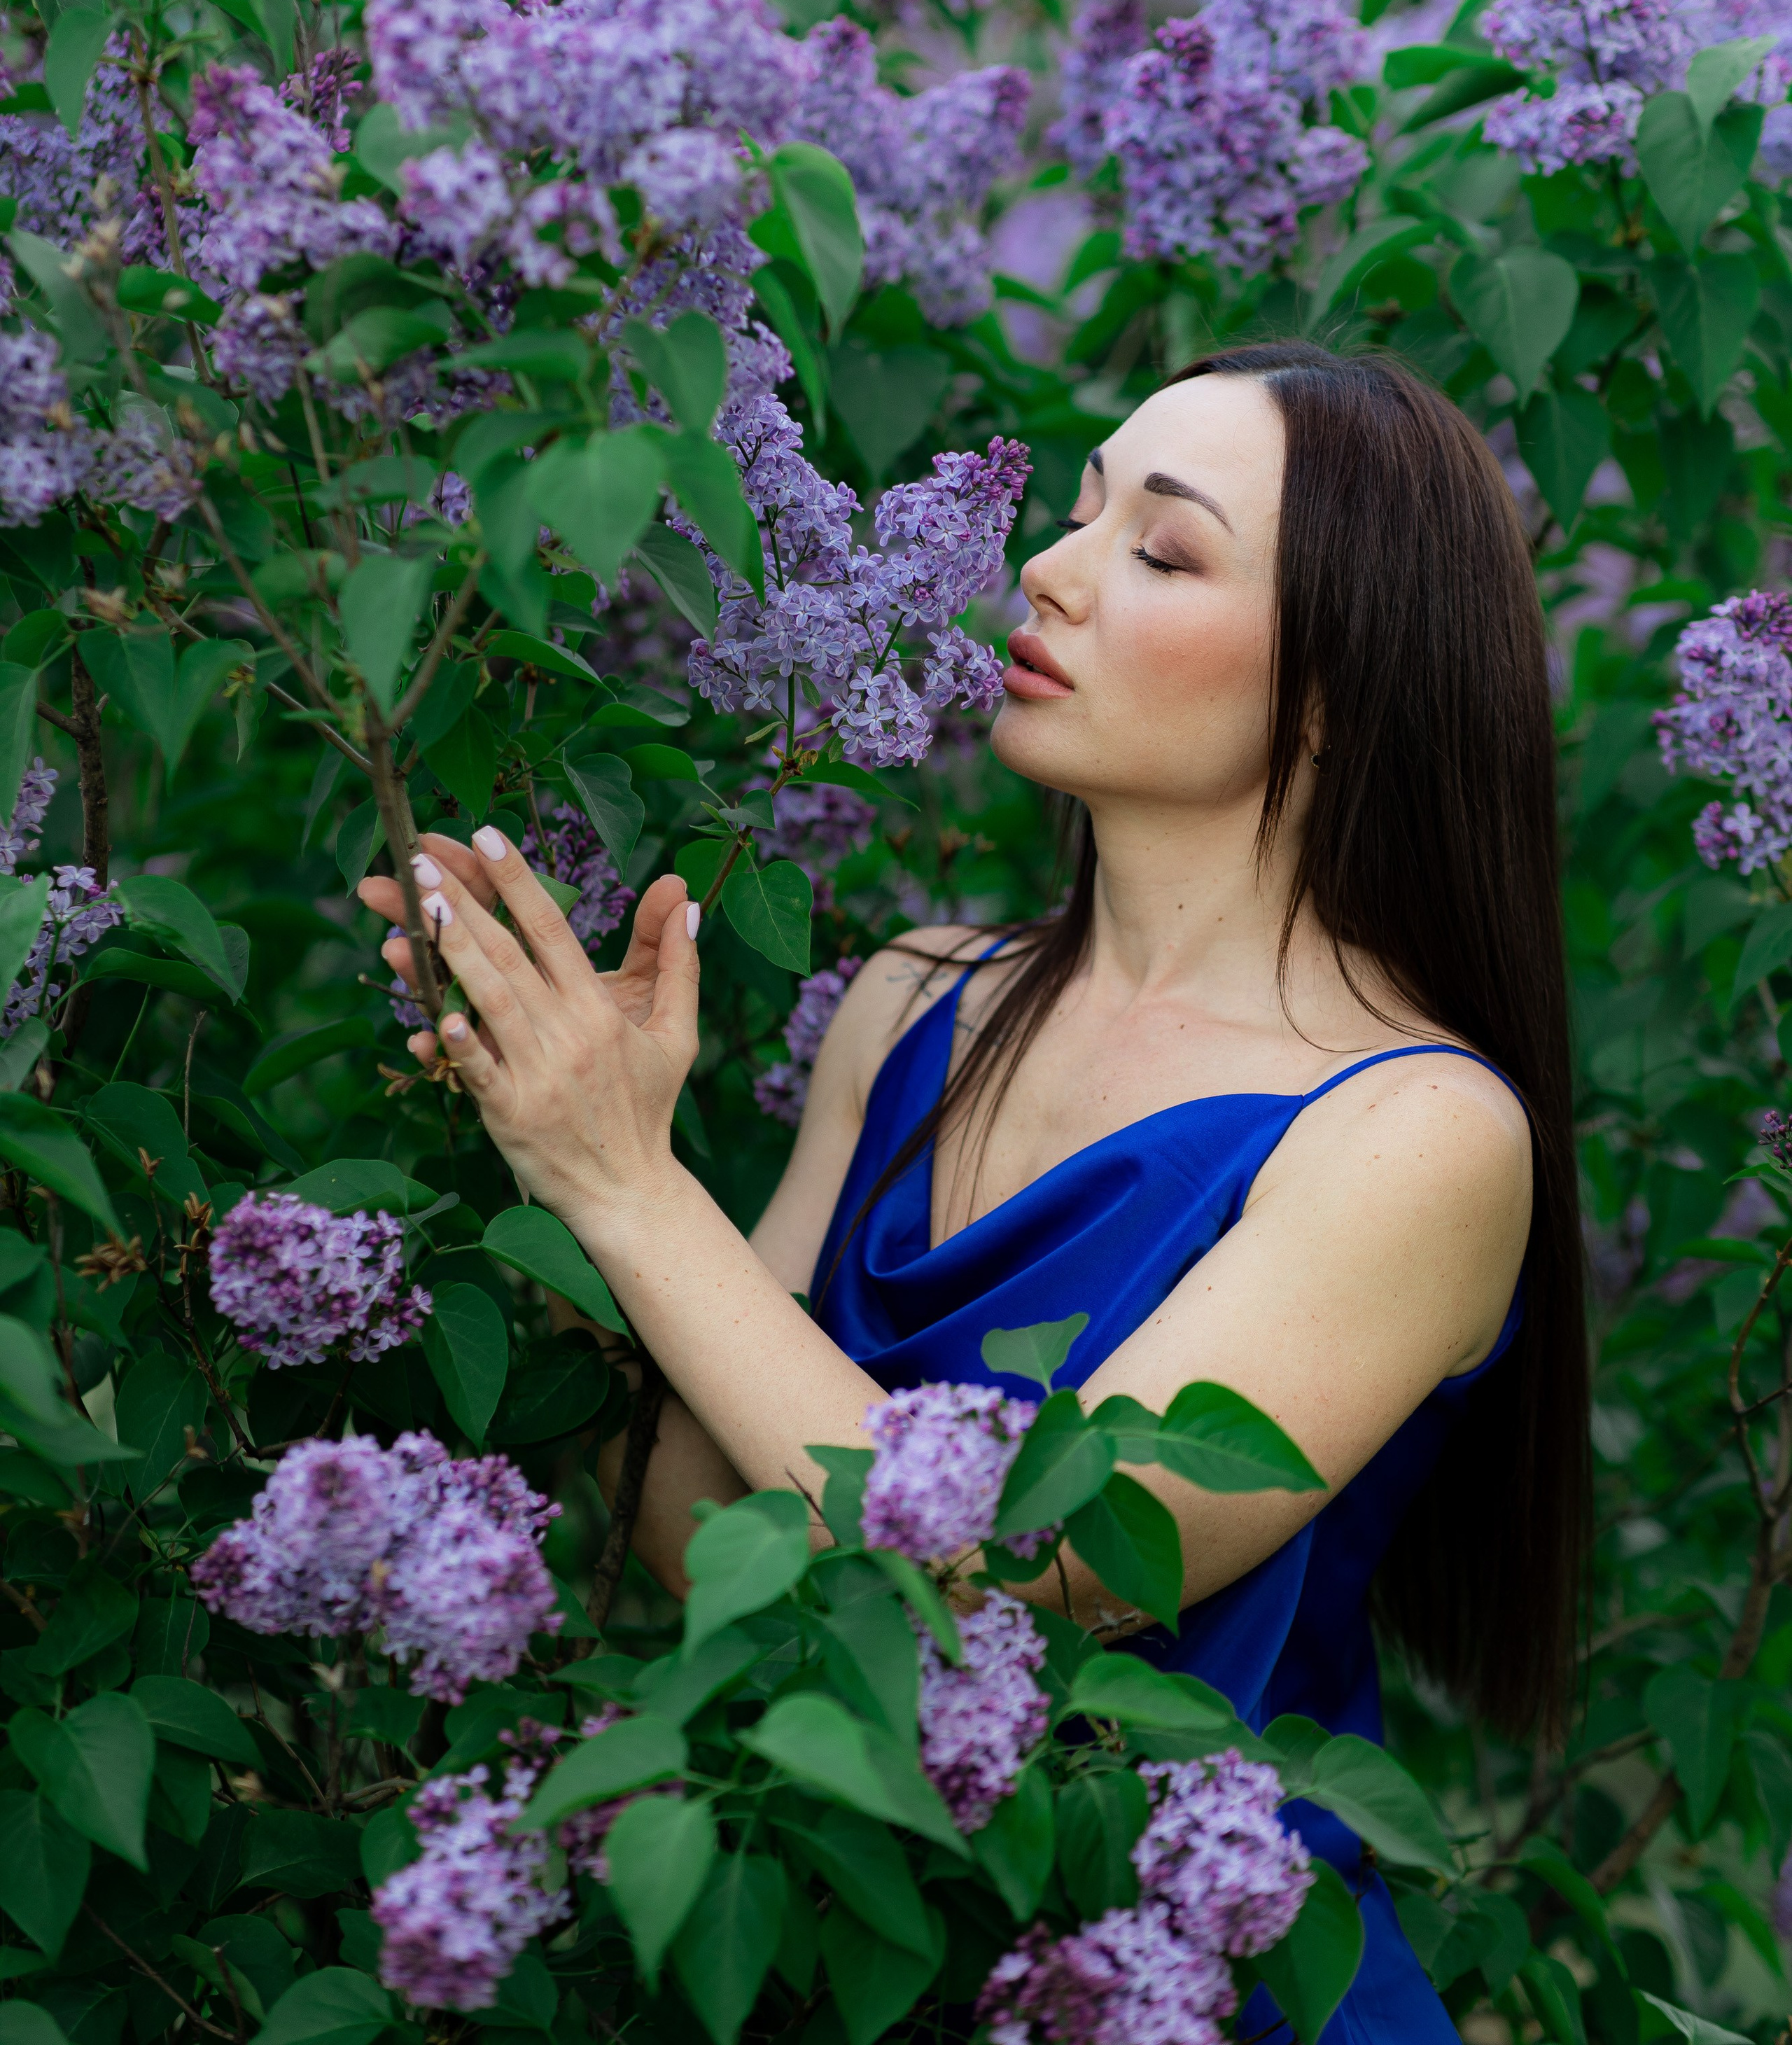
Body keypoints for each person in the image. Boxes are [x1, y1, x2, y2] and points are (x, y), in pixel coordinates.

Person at [361, 340, 1589, 2043]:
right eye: (1077, 510)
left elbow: (1026, 1568)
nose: (1049, 568)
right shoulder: (910, 1000)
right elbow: (691, 1540)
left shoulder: (1413, 1135)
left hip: (1198, 1991)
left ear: (1331, 691)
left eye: (1158, 551)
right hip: (837, 1949)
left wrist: (631, 1191)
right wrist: (587, 1158)